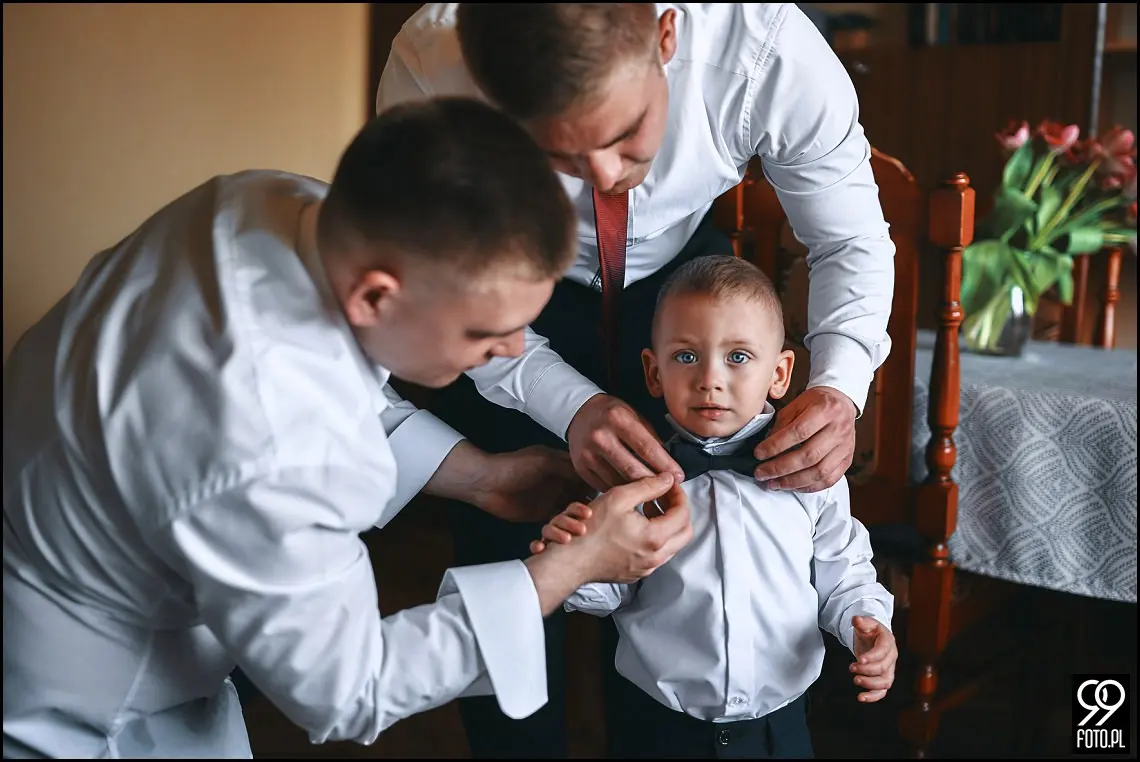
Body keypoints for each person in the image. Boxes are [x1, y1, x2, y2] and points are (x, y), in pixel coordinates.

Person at [1, 96, 694, 760]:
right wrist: (570, 567)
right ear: (376, 296)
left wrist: (483, 477)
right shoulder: (264, 439)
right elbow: (349, 689)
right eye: (489, 332)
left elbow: (322, 380)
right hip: (88, 704)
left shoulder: (265, 202)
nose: (515, 350)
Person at [374, 3, 896, 757]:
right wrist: (567, 404)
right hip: (512, 284)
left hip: (680, 293)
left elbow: (849, 237)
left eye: (623, 136)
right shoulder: (432, 70)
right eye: (555, 155)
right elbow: (448, 284)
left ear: (666, 36)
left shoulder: (767, 46)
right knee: (505, 539)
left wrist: (842, 385)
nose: (603, 178)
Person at [534, 255, 898, 759]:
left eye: (738, 357)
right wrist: (574, 559)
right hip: (658, 729)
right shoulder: (630, 478)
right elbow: (609, 594)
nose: (710, 379)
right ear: (653, 371)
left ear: (780, 373)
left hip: (780, 728)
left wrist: (867, 622)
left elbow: (845, 573)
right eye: (686, 357)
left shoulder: (812, 475)